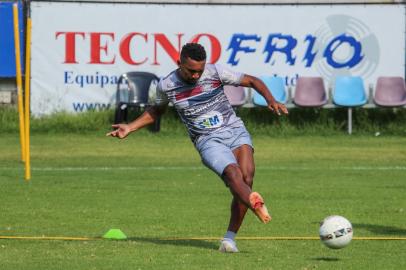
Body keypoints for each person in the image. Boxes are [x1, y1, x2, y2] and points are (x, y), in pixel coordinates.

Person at [106, 43, 288, 253]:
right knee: (233, 175)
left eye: (199, 71)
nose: (195, 76)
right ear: (179, 63)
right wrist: (130, 127)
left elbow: (253, 81)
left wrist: (271, 100)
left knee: (247, 178)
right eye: (190, 71)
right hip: (207, 140)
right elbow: (156, 110)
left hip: (234, 130)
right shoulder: (167, 85)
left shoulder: (215, 72)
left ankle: (229, 239)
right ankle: (253, 202)